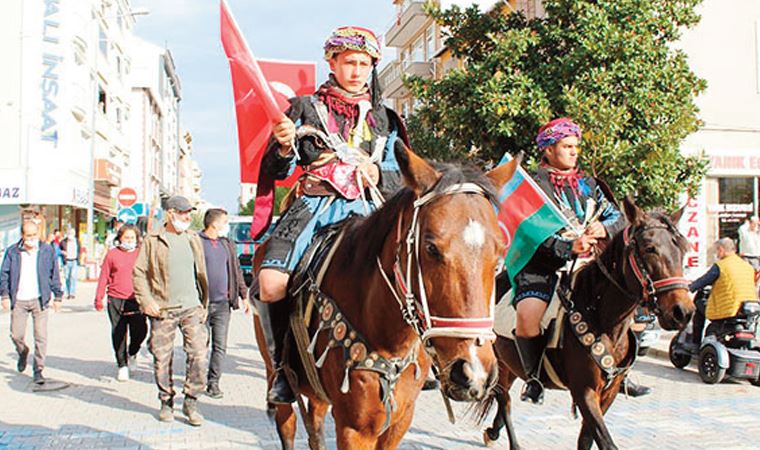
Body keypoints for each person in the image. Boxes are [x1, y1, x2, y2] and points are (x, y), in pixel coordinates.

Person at [255, 26, 407, 404]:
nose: (356, 71)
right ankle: (283, 369)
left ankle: (424, 361)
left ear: (372, 66)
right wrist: (285, 146)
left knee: (417, 268)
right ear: (332, 63)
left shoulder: (385, 117)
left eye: (363, 63)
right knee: (271, 282)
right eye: (348, 62)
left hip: (371, 209)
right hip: (314, 207)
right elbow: (276, 169)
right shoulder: (304, 108)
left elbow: (402, 170)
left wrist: (377, 173)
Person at [512, 118, 626, 404]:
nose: (574, 152)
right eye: (567, 146)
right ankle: (535, 377)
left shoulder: (588, 184)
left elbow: (617, 216)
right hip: (542, 267)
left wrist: (605, 228)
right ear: (549, 150)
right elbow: (526, 232)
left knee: (625, 304)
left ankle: (620, 373)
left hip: (590, 263)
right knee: (528, 318)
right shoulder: (531, 187)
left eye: (576, 146)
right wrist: (566, 247)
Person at [133, 195, 209, 426]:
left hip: (192, 308)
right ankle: (166, 400)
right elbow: (139, 273)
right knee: (161, 357)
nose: (187, 216)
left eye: (188, 212)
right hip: (163, 309)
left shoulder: (193, 238)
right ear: (170, 213)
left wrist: (204, 304)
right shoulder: (153, 240)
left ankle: (191, 400)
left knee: (198, 354)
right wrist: (146, 301)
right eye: (183, 212)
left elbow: (201, 272)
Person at [0, 221, 64, 385]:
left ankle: (38, 369)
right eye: (28, 236)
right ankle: (22, 352)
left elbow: (54, 274)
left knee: (41, 337)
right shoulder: (13, 252)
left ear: (38, 233)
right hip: (19, 300)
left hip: (39, 300)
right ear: (22, 235)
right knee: (16, 335)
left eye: (34, 235)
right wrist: (5, 296)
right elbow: (4, 275)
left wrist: (57, 297)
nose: (32, 239)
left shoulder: (46, 250)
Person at [199, 208, 249, 399]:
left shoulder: (227, 244)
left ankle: (213, 383)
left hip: (223, 305)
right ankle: (195, 379)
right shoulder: (197, 242)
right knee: (199, 347)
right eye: (224, 222)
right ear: (214, 224)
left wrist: (244, 296)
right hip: (201, 304)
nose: (226, 226)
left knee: (220, 346)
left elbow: (237, 272)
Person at [94, 224, 147, 382]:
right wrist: (99, 297)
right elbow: (104, 276)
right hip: (115, 299)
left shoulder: (141, 254)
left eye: (132, 238)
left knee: (140, 331)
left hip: (137, 299)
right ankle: (122, 364)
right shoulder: (112, 255)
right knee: (118, 332)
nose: (129, 241)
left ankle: (132, 352)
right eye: (126, 238)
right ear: (119, 238)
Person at [687, 238, 758, 348]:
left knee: (699, 304)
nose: (716, 254)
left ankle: (695, 343)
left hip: (729, 308)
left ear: (721, 250)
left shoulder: (721, 266)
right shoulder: (747, 266)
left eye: (716, 251)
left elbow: (704, 280)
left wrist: (689, 288)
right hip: (746, 309)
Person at [59, 229, 81, 299]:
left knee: (73, 277)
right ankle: (68, 292)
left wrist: (79, 258)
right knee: (67, 277)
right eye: (69, 234)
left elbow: (79, 250)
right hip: (66, 261)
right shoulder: (63, 242)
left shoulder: (77, 241)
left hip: (74, 260)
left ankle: (72, 293)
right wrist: (62, 252)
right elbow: (59, 250)